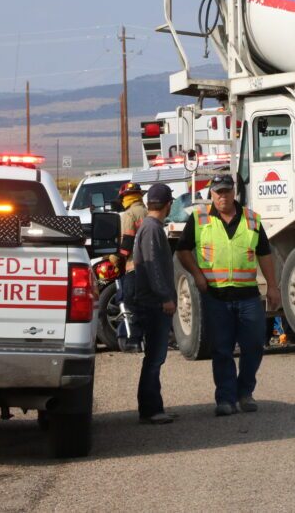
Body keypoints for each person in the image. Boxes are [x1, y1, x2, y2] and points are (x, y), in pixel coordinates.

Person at [176, 174, 280, 417]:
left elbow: (264, 254)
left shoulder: (252, 219)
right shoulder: (199, 219)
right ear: (211, 194)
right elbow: (182, 250)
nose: (223, 196)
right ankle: (225, 398)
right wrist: (197, 276)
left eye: (226, 191)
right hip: (216, 297)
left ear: (234, 192)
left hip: (248, 297)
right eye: (218, 192)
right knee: (222, 349)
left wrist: (273, 286)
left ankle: (245, 392)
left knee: (254, 345)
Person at [131, 182, 178, 425]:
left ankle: (154, 406)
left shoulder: (150, 227)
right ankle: (150, 409)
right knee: (154, 357)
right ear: (168, 204)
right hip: (154, 304)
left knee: (155, 357)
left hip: (153, 302)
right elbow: (152, 266)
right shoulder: (152, 229)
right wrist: (165, 297)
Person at [112, 182, 147, 345]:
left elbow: (127, 241)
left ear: (124, 198)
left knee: (130, 301)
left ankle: (133, 339)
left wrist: (118, 258)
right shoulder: (148, 212)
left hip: (134, 266)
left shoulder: (129, 215)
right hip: (152, 267)